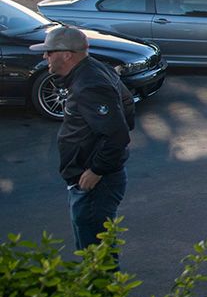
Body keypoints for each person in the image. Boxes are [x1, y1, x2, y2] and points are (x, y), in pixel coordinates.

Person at [31, 26, 133, 251]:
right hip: (92, 178)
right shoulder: (95, 71)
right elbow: (127, 105)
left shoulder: (89, 84)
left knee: (96, 256)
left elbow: (118, 134)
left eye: (49, 52)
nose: (45, 56)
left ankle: (101, 288)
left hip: (96, 183)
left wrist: (96, 170)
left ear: (67, 55)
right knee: (94, 249)